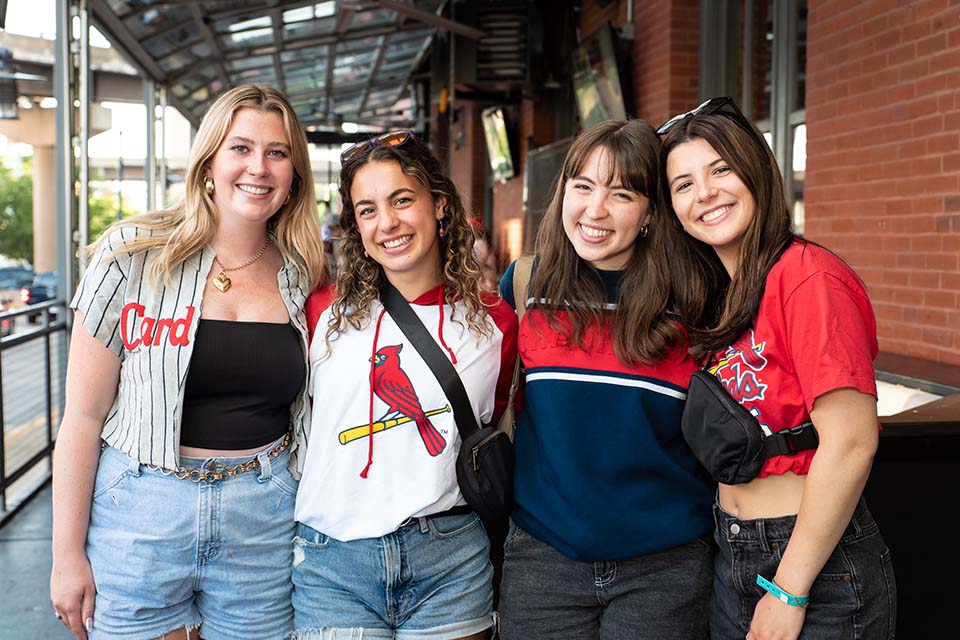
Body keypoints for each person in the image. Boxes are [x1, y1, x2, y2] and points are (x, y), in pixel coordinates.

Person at [49, 84, 327, 640]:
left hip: (263, 515)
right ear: (208, 163)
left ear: (294, 173)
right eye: (241, 148)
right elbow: (82, 417)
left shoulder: (306, 275)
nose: (259, 167)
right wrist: (65, 555)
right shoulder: (132, 255)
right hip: (140, 511)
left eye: (277, 152)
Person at [658, 96, 896, 639]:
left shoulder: (808, 278)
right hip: (732, 553)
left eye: (721, 169)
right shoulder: (720, 294)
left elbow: (852, 441)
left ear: (757, 171)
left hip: (812, 564)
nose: (706, 194)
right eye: (684, 184)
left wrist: (789, 589)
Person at [293, 131, 518, 640]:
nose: (387, 223)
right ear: (355, 226)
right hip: (333, 563)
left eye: (402, 200)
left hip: (450, 556)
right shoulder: (322, 313)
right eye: (367, 209)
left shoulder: (495, 323)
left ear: (439, 206)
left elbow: (496, 420)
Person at [496, 119, 715, 640]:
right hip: (542, 560)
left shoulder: (694, 302)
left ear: (650, 213)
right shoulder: (527, 286)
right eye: (583, 187)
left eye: (620, 193)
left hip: (664, 567)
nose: (594, 210)